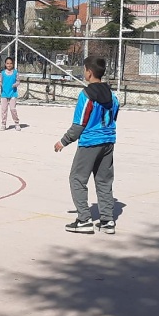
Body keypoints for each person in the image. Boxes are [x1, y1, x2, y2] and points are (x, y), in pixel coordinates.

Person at [55, 56, 120, 235]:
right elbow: (113, 117)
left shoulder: (86, 96)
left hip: (90, 143)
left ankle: (84, 220)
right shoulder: (113, 96)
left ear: (89, 73)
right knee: (104, 180)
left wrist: (63, 141)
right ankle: (107, 220)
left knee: (77, 178)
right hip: (108, 141)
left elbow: (79, 124)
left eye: (84, 69)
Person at [0, 57, 21, 131]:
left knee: (12, 109)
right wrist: (0, 84)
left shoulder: (15, 73)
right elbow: (0, 81)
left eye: (10, 63)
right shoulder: (2, 73)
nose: (9, 65)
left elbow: (18, 81)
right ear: (5, 64)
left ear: (13, 64)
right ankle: (3, 124)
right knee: (4, 109)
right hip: (4, 94)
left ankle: (17, 123)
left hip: (13, 93)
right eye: (7, 63)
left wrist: (15, 84)